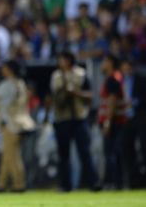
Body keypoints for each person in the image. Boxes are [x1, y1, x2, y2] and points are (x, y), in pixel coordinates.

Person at [50, 51, 100, 192]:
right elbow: (54, 97)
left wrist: (75, 93)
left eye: (64, 59)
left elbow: (90, 95)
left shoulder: (81, 74)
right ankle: (65, 185)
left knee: (85, 152)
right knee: (63, 154)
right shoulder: (56, 76)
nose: (61, 63)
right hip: (62, 118)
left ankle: (93, 183)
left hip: (79, 117)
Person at [0, 60, 33, 192]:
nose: (2, 70)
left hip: (11, 124)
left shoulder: (7, 84)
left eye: (5, 68)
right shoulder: (21, 83)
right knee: (7, 155)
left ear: (10, 70)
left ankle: (19, 184)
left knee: (12, 156)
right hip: (21, 122)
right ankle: (1, 184)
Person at [120, 59, 146, 188]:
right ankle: (133, 181)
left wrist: (134, 102)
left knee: (145, 148)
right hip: (126, 119)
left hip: (140, 117)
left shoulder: (142, 80)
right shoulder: (121, 81)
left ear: (132, 67)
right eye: (123, 67)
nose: (126, 70)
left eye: (127, 67)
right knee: (128, 149)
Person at [98, 54, 127, 189]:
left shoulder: (112, 79)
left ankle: (114, 183)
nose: (102, 64)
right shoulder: (117, 77)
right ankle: (117, 182)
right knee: (115, 152)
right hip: (117, 121)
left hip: (114, 122)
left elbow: (112, 101)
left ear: (110, 63)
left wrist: (108, 122)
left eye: (104, 61)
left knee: (111, 153)